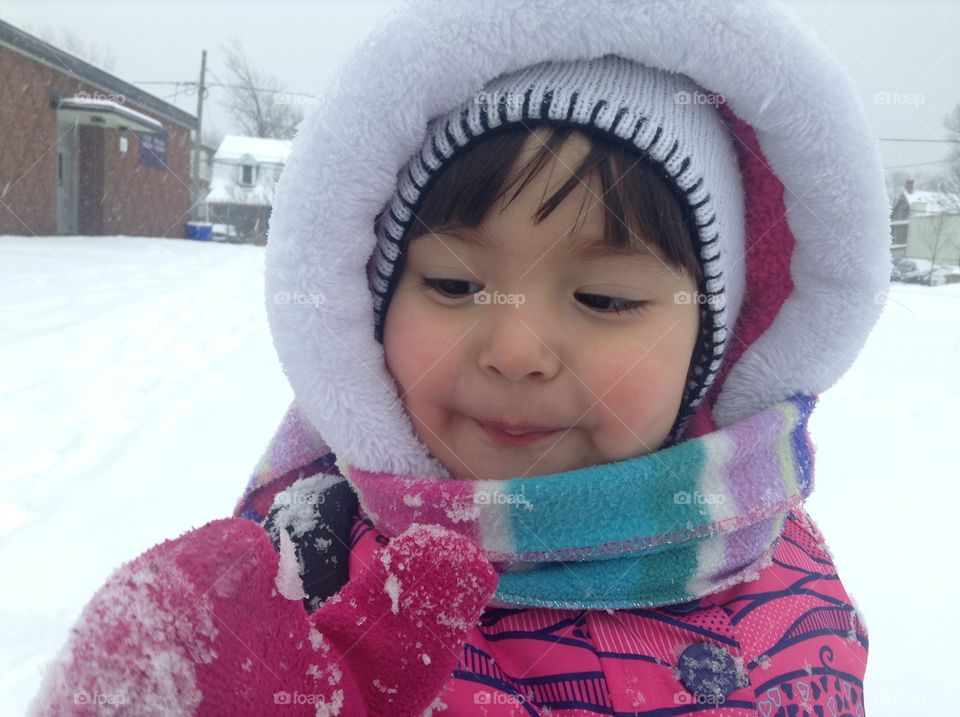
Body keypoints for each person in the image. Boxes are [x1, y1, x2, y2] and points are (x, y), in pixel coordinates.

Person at [30, 0, 889, 714]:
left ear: (711, 344)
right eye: (451, 283)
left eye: (605, 299)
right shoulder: (309, 574)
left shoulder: (784, 568)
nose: (516, 349)